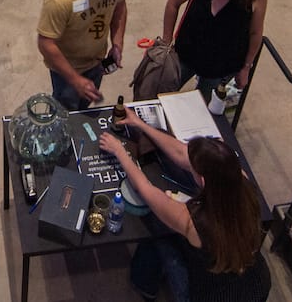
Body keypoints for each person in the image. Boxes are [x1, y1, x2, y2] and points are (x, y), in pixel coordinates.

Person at [98, 119, 270, 302]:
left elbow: (145, 189)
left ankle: (145, 285)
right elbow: (181, 152)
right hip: (258, 282)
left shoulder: (195, 223)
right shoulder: (241, 181)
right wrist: (141, 124)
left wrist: (119, 150)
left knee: (157, 229)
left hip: (216, 296)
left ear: (203, 181)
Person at [37, 0, 131, 111]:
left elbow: (120, 6)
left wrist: (117, 43)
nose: (110, 0)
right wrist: (75, 80)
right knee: (65, 110)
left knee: (83, 104)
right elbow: (45, 43)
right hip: (68, 67)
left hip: (96, 60)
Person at [164, 0, 266, 92]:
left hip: (222, 65)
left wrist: (246, 67)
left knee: (204, 107)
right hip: (185, 53)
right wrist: (165, 44)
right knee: (161, 92)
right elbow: (172, 4)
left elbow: (255, 32)